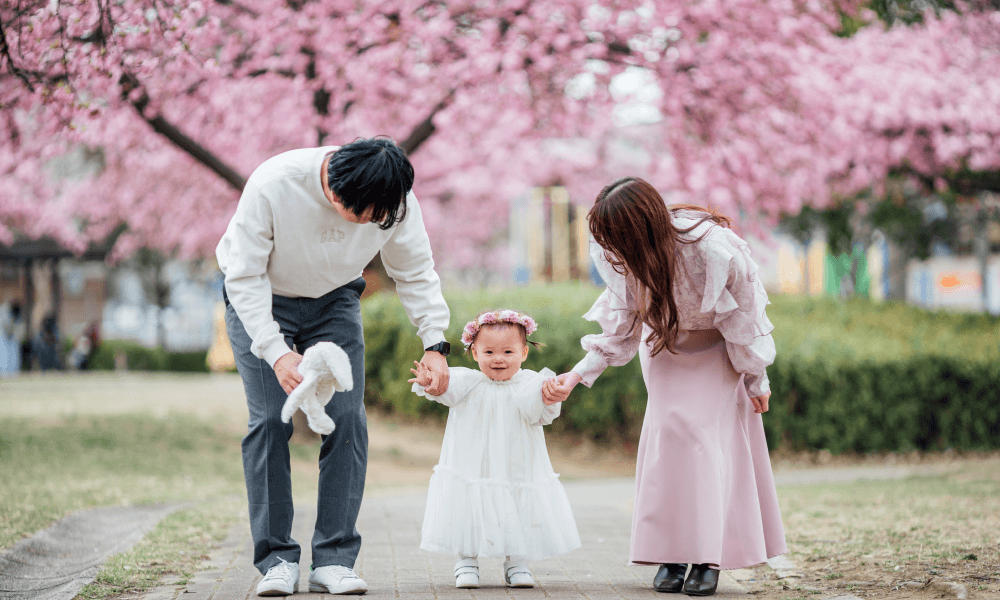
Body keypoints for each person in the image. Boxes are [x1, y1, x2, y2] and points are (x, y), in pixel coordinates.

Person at [216, 137, 452, 596]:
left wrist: (435, 342)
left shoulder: (394, 203)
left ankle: (335, 558)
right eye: (361, 212)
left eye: (376, 217)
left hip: (335, 302)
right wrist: (276, 350)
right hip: (261, 299)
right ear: (335, 185)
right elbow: (242, 275)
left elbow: (416, 271)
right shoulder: (274, 183)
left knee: (347, 420)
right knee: (269, 421)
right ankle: (276, 560)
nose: (368, 223)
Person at [542, 177, 786, 597]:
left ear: (641, 227)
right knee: (669, 444)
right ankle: (672, 554)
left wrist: (755, 376)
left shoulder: (712, 248)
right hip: (662, 349)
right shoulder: (614, 253)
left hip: (718, 351)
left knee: (707, 445)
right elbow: (621, 325)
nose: (611, 248)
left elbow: (744, 318)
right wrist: (578, 373)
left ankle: (709, 557)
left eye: (618, 237)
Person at [408, 309, 580, 590]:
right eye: (488, 352)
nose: (498, 359)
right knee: (468, 505)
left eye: (508, 352)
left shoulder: (531, 383)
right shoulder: (466, 381)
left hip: (517, 464)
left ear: (524, 353)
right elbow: (443, 390)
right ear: (474, 353)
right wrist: (431, 384)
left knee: (518, 505)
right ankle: (466, 560)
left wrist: (549, 396)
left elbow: (543, 416)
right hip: (472, 463)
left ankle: (517, 562)